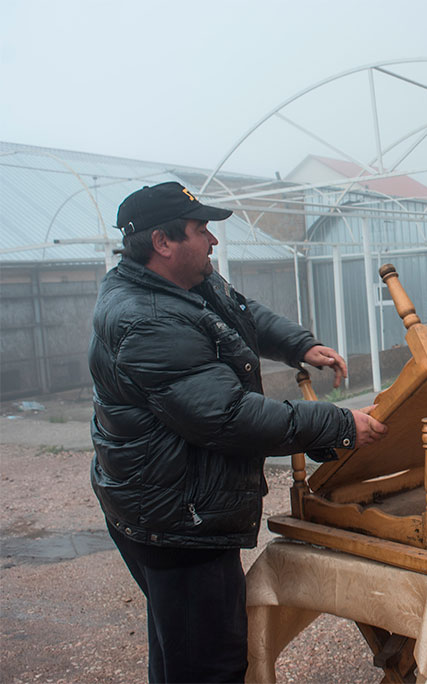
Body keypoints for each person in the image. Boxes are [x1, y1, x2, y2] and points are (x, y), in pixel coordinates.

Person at [89, 181, 388, 682]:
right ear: (163, 243)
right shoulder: (147, 320)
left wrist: (299, 345)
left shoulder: (183, 283)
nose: (213, 240)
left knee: (179, 648)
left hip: (173, 499)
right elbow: (227, 417)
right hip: (176, 519)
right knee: (210, 664)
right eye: (200, 229)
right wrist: (337, 424)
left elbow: (242, 315)